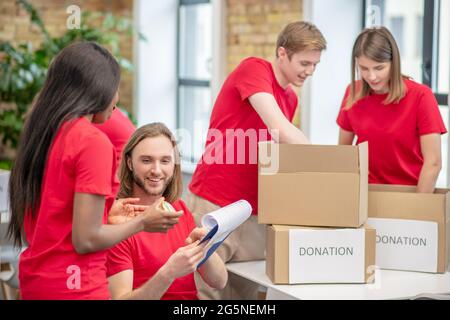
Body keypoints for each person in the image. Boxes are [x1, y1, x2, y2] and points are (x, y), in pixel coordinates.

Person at [7, 42, 182, 300]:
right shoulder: (92, 142)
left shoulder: (45, 132)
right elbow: (85, 240)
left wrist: (105, 214)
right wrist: (142, 223)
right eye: (114, 88)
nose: (116, 100)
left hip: (38, 281)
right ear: (96, 90)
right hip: (75, 286)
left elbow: (55, 212)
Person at [186, 21, 327, 299]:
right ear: (282, 53)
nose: (309, 71)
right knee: (203, 291)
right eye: (304, 63)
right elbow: (280, 130)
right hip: (217, 200)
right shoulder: (254, 69)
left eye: (315, 65)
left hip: (255, 211)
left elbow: (278, 152)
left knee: (242, 294)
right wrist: (327, 165)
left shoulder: (290, 98)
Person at [107, 123, 227, 300]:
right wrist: (168, 273)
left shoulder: (179, 209)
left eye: (165, 161)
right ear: (130, 163)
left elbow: (219, 281)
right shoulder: (119, 222)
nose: (156, 170)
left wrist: (206, 246)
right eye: (146, 160)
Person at [337, 27, 447, 193]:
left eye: (379, 68)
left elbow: (433, 163)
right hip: (365, 192)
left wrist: (418, 207)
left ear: (393, 63)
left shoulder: (421, 96)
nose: (371, 76)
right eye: (364, 68)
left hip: (410, 192)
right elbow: (343, 154)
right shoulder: (352, 92)